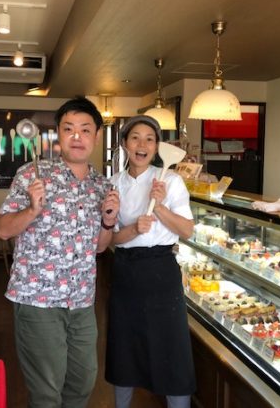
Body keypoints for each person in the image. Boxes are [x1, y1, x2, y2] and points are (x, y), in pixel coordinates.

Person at [0, 97, 120, 408]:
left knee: (83, 380)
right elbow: (4, 230)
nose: (77, 137)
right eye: (69, 129)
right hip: (38, 299)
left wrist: (108, 220)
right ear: (58, 134)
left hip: (81, 301)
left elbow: (100, 246)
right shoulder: (32, 175)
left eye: (85, 129)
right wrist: (31, 210)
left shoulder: (101, 185)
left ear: (96, 136)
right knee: (47, 391)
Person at [105, 115, 196, 408]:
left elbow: (187, 231)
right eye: (135, 138)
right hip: (126, 272)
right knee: (125, 349)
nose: (142, 145)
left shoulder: (171, 180)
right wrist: (133, 229)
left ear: (156, 147)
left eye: (149, 139)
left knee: (172, 350)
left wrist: (161, 208)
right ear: (124, 144)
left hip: (161, 273)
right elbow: (110, 240)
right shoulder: (113, 184)